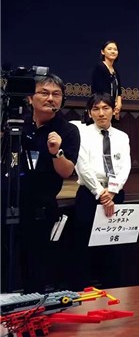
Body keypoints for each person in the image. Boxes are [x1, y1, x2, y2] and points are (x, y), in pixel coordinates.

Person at [14, 74, 80, 293]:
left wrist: (56, 152)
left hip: (41, 207)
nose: (50, 98)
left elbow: (66, 171)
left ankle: (33, 306)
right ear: (30, 98)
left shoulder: (68, 130)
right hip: (10, 200)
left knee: (36, 267)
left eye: (56, 94)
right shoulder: (16, 123)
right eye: (44, 93)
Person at [73, 93, 130, 290]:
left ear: (114, 110)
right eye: (96, 109)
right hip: (89, 194)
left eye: (106, 108)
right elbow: (82, 167)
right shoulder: (82, 134)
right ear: (89, 113)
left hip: (115, 195)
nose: (101, 113)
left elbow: (125, 166)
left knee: (113, 246)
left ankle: (112, 290)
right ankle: (82, 291)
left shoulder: (122, 137)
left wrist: (112, 192)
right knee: (83, 246)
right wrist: (101, 193)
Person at [91, 40, 122, 120]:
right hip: (102, 106)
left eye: (115, 49)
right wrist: (110, 105)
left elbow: (119, 91)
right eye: (109, 49)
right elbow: (99, 91)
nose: (113, 51)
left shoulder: (115, 70)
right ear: (103, 52)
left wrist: (118, 105)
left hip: (113, 108)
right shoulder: (100, 67)